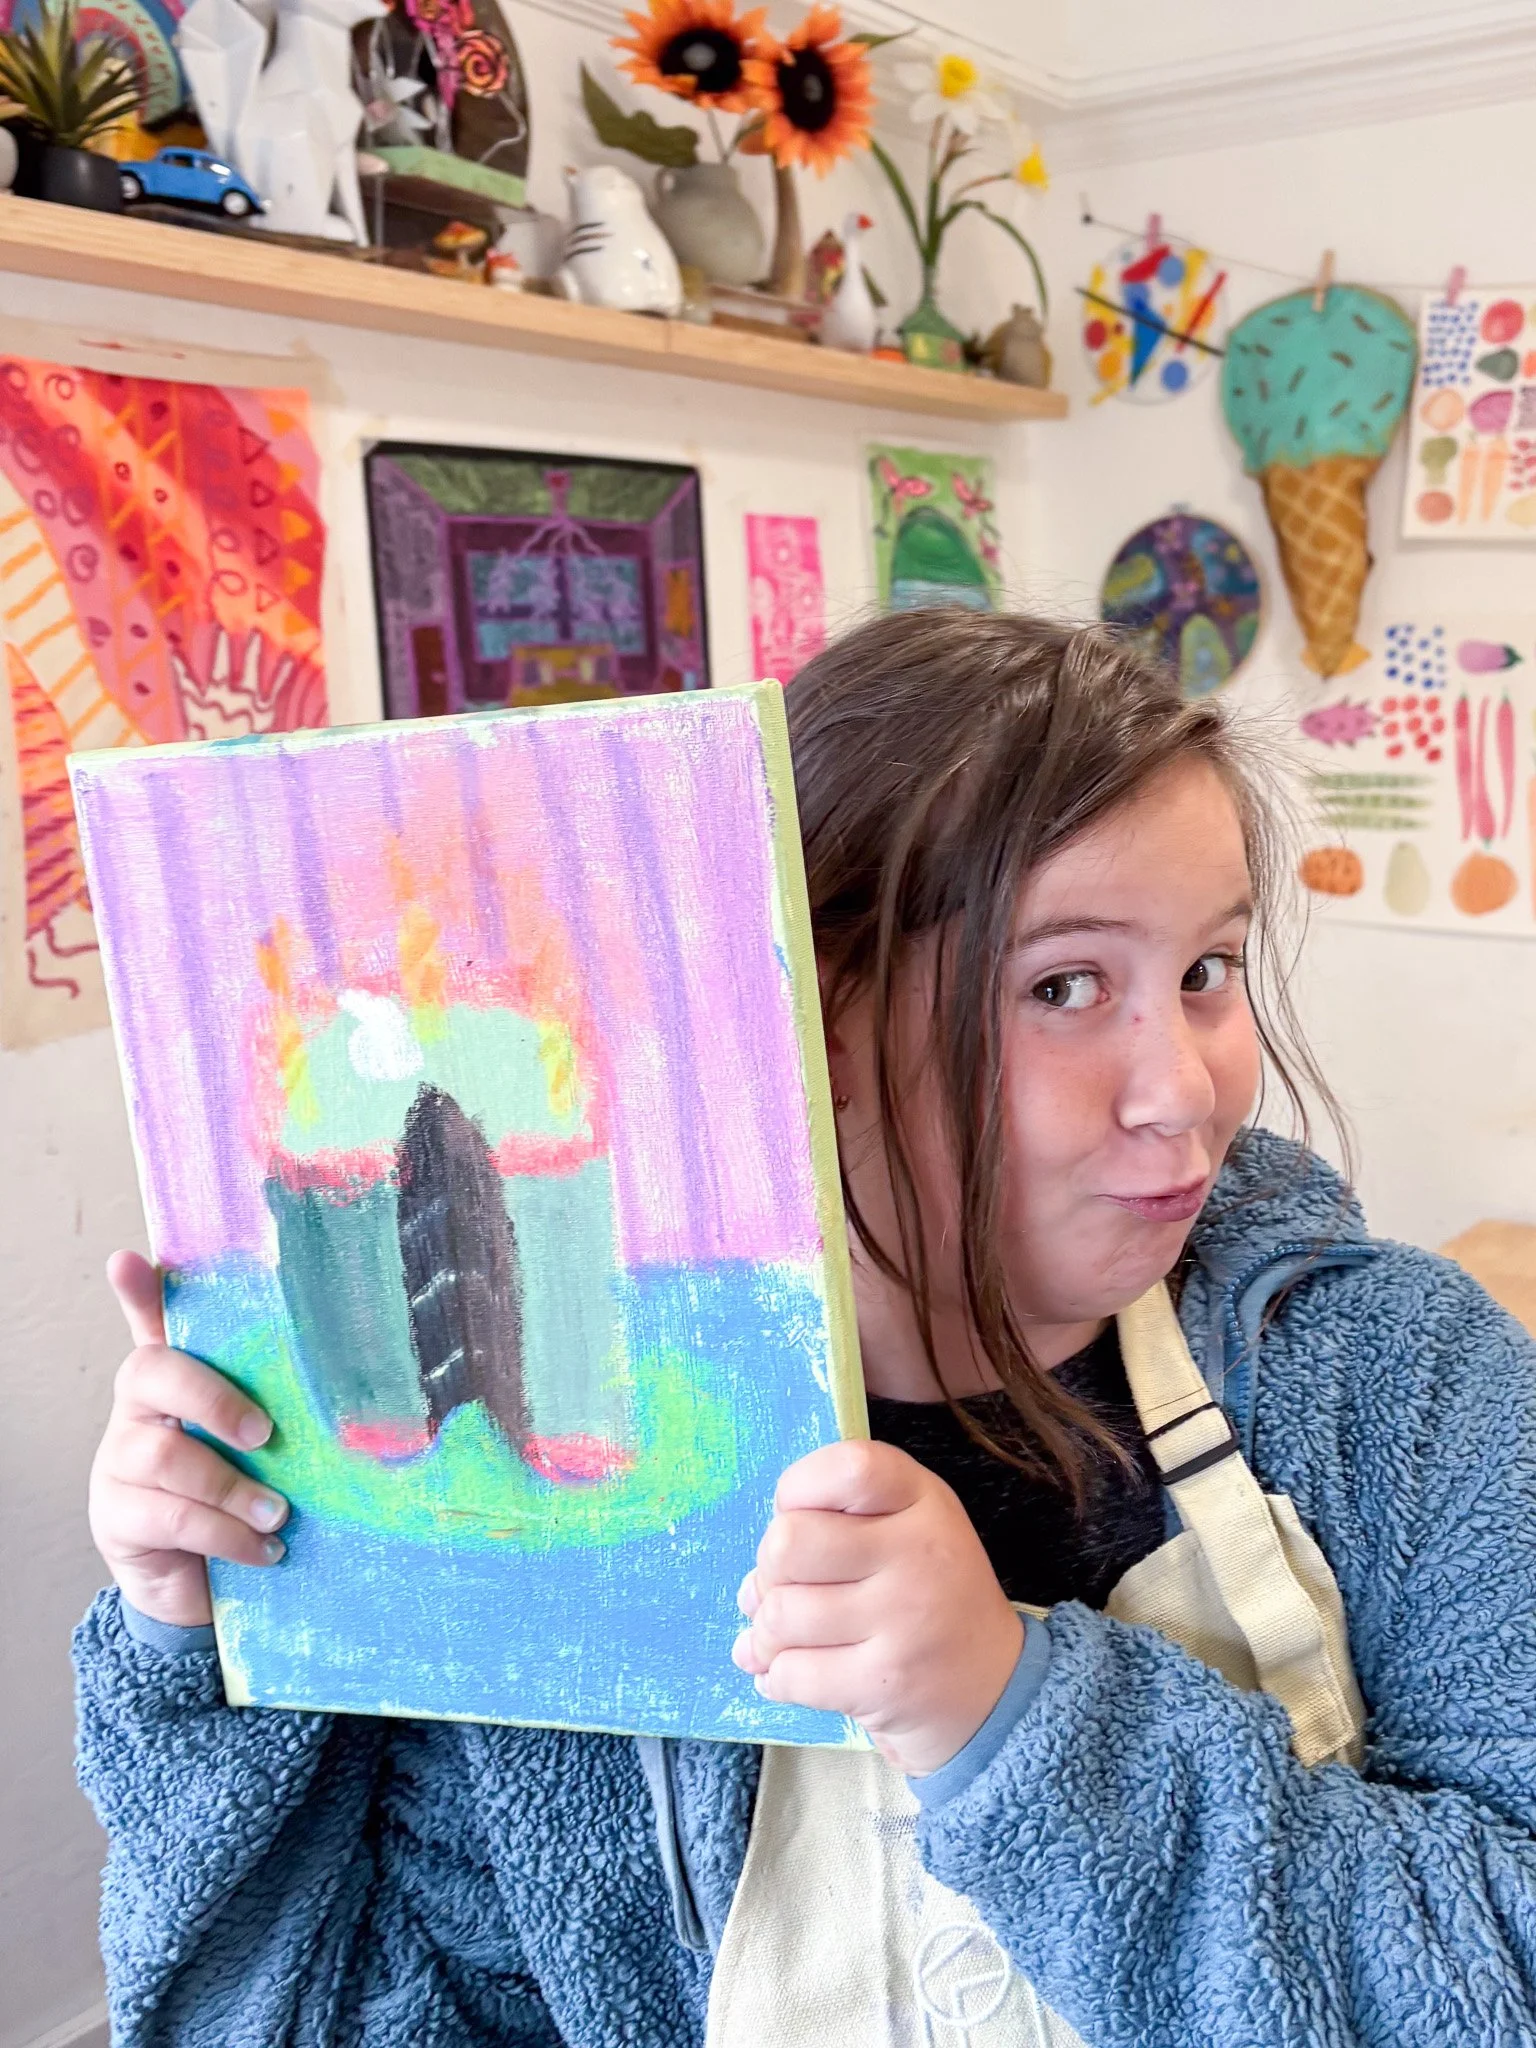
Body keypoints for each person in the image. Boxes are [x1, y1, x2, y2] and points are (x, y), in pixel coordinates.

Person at [76, 611, 1536, 2047]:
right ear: (812, 1017)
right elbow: (318, 2010)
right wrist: (213, 1633)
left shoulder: (1400, 1379)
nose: (1186, 1089)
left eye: (1207, 971)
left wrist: (1019, 1722)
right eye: (1065, 987)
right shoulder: (558, 1493)